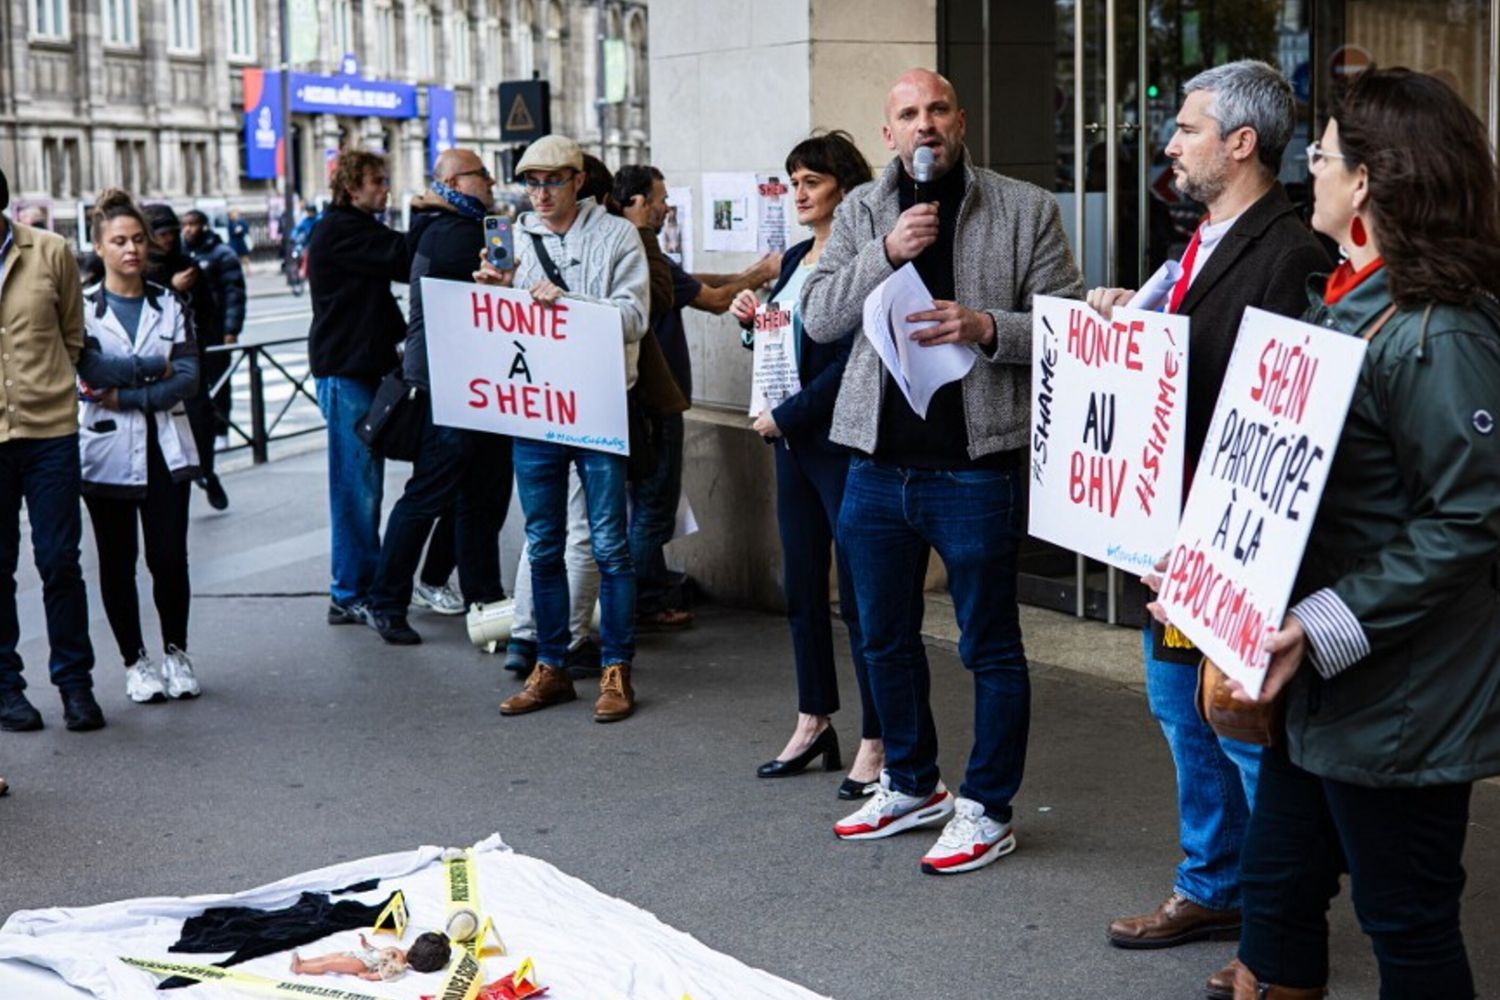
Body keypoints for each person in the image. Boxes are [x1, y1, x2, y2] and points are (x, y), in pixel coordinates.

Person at [1199, 68, 1500, 1000]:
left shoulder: (1438, 334)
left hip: (1399, 697)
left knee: (1406, 923)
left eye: (1323, 156)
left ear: (1366, 183)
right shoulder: (1345, 303)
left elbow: (1472, 517)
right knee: (1278, 895)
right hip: (1326, 686)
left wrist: (1316, 622)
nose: (1312, 172)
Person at [1084, 61, 1330, 996]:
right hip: (1176, 540)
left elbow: (1276, 401)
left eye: (1187, 128)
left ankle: (1275, 931)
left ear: (1240, 143)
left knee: (1241, 727)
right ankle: (1212, 884)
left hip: (1238, 544)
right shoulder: (1197, 241)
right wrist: (1125, 321)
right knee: (1179, 708)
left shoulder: (1292, 249)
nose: (1170, 144)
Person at [800, 69, 1083, 874]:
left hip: (972, 470)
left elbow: (1062, 326)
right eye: (906, 115)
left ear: (960, 120)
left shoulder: (1024, 208)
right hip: (875, 468)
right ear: (887, 134)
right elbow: (819, 318)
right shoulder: (860, 211)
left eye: (935, 110)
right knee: (881, 635)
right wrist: (886, 252)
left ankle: (988, 807)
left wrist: (987, 324)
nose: (923, 125)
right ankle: (912, 782)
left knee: (988, 646)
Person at [728, 131, 884, 797]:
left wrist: (786, 417)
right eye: (793, 181)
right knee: (802, 592)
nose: (798, 193)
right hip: (789, 443)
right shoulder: (794, 257)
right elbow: (781, 343)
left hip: (837, 443)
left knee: (861, 598)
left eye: (810, 182)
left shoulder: (858, 259)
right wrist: (750, 319)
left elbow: (855, 362)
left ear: (844, 191)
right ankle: (814, 718)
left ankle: (879, 738)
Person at [475, 134, 649, 723]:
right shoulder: (514, 236)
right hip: (535, 407)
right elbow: (498, 328)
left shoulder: (617, 235)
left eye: (552, 180)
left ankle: (616, 668)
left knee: (608, 544)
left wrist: (568, 304)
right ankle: (549, 664)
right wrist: (495, 296)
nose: (540, 193)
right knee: (544, 540)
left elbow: (635, 316)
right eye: (531, 182)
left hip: (598, 403)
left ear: (578, 181)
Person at [614, 163, 780, 632]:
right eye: (659, 199)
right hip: (656, 400)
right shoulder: (638, 253)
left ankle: (640, 592)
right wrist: (763, 273)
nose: (667, 208)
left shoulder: (633, 251)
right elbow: (711, 299)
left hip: (640, 400)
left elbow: (694, 282)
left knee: (641, 505)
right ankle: (645, 600)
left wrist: (752, 273)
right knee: (653, 507)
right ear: (635, 203)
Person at [361, 148, 512, 645]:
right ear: (454, 180)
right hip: (449, 388)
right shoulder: (458, 234)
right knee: (433, 497)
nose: (491, 181)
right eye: (481, 174)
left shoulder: (441, 223)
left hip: (470, 385)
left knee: (479, 497)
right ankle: (389, 600)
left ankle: (485, 600)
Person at [76, 189, 203, 703]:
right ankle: (135, 661)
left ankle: (177, 653)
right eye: (118, 241)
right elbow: (89, 373)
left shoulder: (169, 302)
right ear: (100, 247)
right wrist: (155, 369)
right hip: (105, 452)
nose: (130, 249)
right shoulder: (82, 309)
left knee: (170, 557)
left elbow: (191, 376)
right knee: (116, 560)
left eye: (137, 240)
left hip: (165, 448)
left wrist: (125, 394)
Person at [0, 165, 103, 734]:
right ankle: (7, 689)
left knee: (59, 560)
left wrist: (51, 383)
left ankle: (74, 684)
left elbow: (73, 331)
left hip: (49, 433)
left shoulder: (50, 251)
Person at [307, 150, 410, 625]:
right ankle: (350, 592)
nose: (384, 188)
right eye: (376, 182)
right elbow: (401, 256)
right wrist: (437, 212)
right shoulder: (340, 230)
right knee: (356, 487)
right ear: (352, 189)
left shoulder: (354, 226)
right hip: (345, 372)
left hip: (360, 368)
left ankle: (360, 585)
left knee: (363, 482)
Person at [180, 208, 246, 511]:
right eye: (186, 224)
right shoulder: (178, 256)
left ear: (204, 226)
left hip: (212, 334)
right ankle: (199, 465)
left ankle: (219, 435)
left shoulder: (221, 254)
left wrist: (231, 329)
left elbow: (234, 292)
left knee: (218, 388)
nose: (188, 229)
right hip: (181, 343)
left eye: (193, 224)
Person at [290, 931, 451, 980]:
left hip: (362, 963)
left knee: (330, 964)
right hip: (362, 955)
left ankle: (301, 967)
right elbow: (380, 952)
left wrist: (366, 975)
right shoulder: (402, 953)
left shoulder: (399, 964)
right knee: (329, 957)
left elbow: (382, 974)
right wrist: (367, 945)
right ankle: (304, 961)